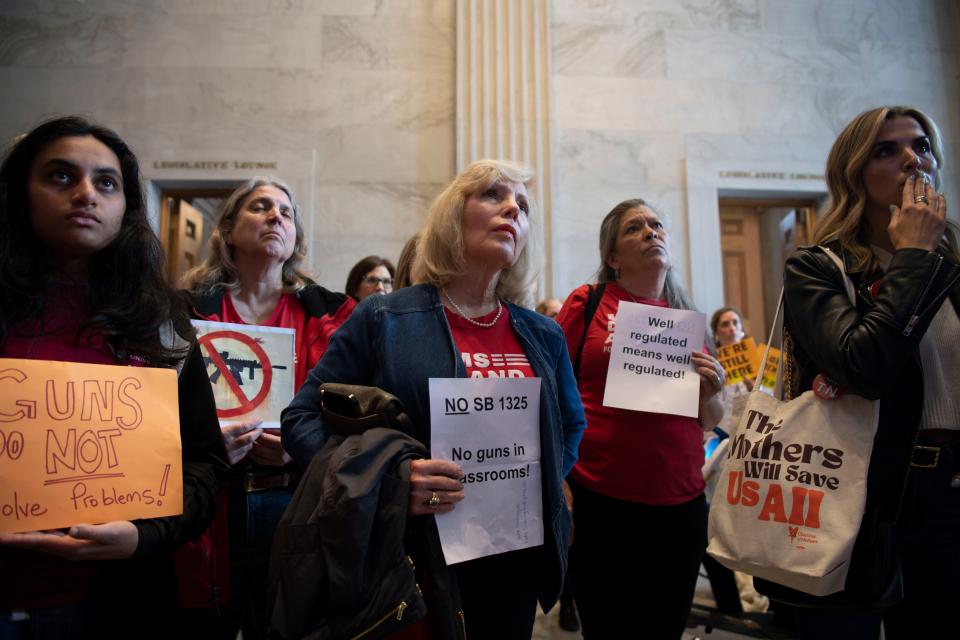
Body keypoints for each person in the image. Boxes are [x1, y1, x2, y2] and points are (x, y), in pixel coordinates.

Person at [282, 159, 586, 639]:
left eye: (523, 206)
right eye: (492, 195)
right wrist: (392, 483)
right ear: (452, 216)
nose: (512, 208)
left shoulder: (542, 334)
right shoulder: (385, 318)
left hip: (513, 563)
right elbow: (301, 420)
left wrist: (533, 486)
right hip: (413, 560)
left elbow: (570, 426)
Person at [0, 116, 228, 637]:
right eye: (61, 176)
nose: (86, 194)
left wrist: (143, 536)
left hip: (118, 599)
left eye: (106, 182)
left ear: (126, 206)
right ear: (20, 193)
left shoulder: (161, 321)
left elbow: (203, 462)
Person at [779, 105, 959, 639]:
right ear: (854, 172)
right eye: (887, 150)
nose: (911, 159)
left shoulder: (954, 264)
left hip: (950, 491)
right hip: (861, 495)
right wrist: (913, 257)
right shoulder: (817, 267)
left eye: (921, 145)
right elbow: (865, 366)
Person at [180, 177, 355, 639]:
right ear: (230, 229)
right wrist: (205, 444)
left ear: (295, 237)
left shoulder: (336, 316)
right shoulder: (183, 314)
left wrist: (303, 446)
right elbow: (155, 410)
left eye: (286, 212)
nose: (277, 216)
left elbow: (358, 417)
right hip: (212, 506)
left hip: (298, 500)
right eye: (261, 207)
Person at [556, 198, 726, 639]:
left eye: (656, 225)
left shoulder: (685, 321)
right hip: (601, 501)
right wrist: (559, 480)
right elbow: (552, 391)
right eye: (635, 228)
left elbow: (710, 417)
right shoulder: (588, 303)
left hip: (680, 507)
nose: (652, 232)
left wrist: (710, 393)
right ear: (612, 258)